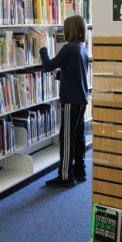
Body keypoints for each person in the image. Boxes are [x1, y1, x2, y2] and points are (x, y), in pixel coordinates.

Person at [38, 15, 89, 188]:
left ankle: (65, 176)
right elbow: (75, 76)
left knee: (67, 138)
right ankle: (79, 170)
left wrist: (42, 47)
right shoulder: (81, 48)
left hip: (71, 101)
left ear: (69, 30)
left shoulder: (69, 48)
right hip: (81, 99)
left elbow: (47, 65)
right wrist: (59, 75)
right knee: (79, 136)